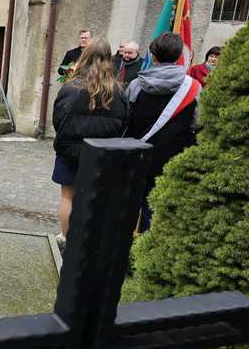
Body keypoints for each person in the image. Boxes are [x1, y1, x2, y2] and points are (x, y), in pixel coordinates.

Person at [51, 37, 127, 246]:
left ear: (85, 57)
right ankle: (88, 241)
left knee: (68, 197)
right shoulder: (119, 91)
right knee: (96, 197)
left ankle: (67, 239)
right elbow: (123, 123)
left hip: (70, 151)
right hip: (103, 154)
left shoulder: (70, 88)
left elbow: (58, 119)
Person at [127, 32, 200, 231]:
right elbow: (197, 123)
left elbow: (126, 120)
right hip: (171, 159)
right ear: (179, 57)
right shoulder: (194, 88)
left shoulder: (136, 85)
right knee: (156, 211)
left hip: (136, 155)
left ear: (154, 56)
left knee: (128, 208)